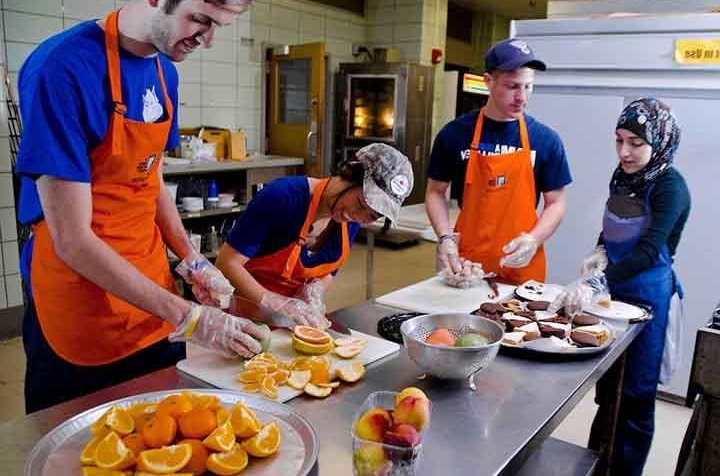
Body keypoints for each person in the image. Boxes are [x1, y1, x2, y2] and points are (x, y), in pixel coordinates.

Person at [15, 0, 268, 414]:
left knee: (163, 430)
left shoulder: (165, 73)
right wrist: (189, 318)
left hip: (151, 296)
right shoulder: (61, 69)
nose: (204, 41)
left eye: (217, 28)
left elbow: (149, 180)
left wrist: (191, 260)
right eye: (199, 20)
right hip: (80, 302)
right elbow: (73, 241)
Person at [549, 98, 691, 475]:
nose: (625, 152)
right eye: (619, 140)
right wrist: (600, 247)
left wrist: (596, 281)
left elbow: (647, 250)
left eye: (636, 144)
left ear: (659, 143)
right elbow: (615, 222)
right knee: (609, 387)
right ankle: (598, 463)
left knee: (636, 396)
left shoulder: (669, 187)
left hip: (647, 298)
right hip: (613, 295)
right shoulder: (624, 174)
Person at [215, 143, 413, 327]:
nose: (357, 216)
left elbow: (328, 272)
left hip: (293, 324)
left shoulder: (350, 220)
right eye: (361, 204)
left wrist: (314, 292)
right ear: (349, 174)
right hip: (242, 318)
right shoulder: (283, 197)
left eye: (370, 215)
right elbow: (227, 264)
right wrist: (272, 301)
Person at [426, 38, 572, 284]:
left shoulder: (546, 140)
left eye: (528, 87)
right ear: (488, 81)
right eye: (513, 86)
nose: (522, 98)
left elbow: (556, 203)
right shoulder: (454, 134)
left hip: (522, 265)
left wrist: (533, 240)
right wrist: (446, 238)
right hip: (468, 265)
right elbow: (434, 192)